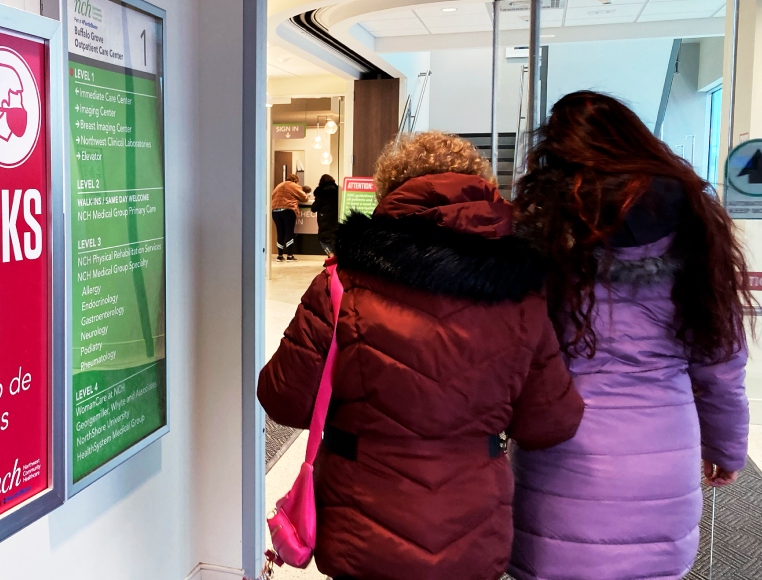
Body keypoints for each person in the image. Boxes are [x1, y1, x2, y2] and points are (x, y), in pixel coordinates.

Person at [258, 131, 585, 580]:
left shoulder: (341, 286)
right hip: (472, 527)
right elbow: (552, 422)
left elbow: (282, 399)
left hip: (362, 530)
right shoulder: (520, 296)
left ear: (389, 192)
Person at [509, 91, 753, 580]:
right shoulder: (695, 223)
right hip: (664, 448)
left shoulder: (542, 232)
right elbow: (722, 364)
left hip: (562, 450)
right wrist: (726, 448)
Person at [271, 173, 308, 261]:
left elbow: (272, 196)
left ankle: (279, 255)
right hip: (288, 210)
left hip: (275, 210)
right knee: (289, 232)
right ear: (295, 181)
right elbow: (305, 198)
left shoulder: (279, 185)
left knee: (280, 232)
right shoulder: (294, 186)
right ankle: (289, 255)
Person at [312, 174, 340, 255]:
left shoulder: (320, 193)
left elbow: (314, 208)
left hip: (324, 222)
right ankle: (333, 260)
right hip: (335, 221)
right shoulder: (338, 190)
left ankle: (331, 257)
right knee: (334, 241)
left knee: (323, 241)